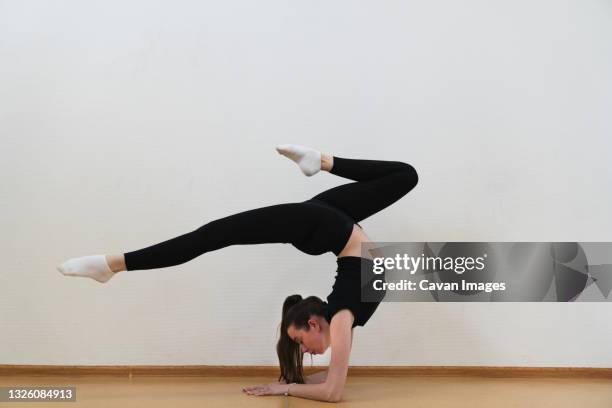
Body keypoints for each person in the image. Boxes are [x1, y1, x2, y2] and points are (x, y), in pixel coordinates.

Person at [57, 144, 419, 402]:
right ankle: (112, 264)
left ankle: (320, 160)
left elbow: (331, 380)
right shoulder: (341, 321)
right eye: (300, 343)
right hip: (327, 225)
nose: (306, 353)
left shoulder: (341, 321)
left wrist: (286, 386)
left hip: (331, 227)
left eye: (298, 347)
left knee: (406, 175)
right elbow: (333, 391)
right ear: (313, 323)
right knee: (214, 234)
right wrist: (288, 388)